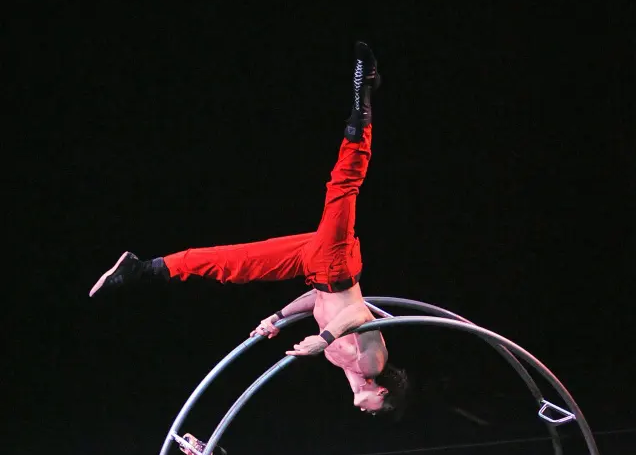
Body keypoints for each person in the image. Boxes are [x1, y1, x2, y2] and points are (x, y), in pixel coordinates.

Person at [90, 42, 409, 417]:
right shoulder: (372, 363)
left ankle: (147, 268)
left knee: (238, 263)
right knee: (343, 185)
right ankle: (364, 93)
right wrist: (321, 341)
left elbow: (319, 305)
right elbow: (357, 313)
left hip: (315, 271)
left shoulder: (351, 371)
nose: (368, 411)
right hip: (337, 267)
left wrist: (276, 318)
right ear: (383, 391)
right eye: (377, 409)